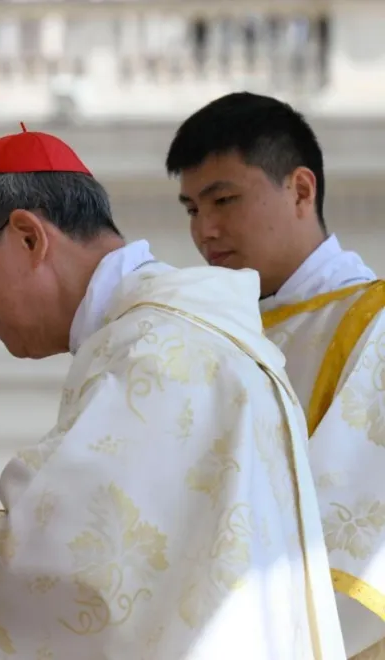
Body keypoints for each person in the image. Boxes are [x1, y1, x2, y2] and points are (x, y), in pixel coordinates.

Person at [0, 127, 346, 658]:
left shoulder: (154, 353)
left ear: (29, 236)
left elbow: (84, 583)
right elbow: (109, 561)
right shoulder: (173, 336)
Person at [165, 91, 385, 658]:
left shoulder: (373, 326)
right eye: (192, 209)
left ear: (301, 190)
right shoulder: (210, 335)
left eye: (224, 200)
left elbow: (354, 541)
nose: (206, 231)